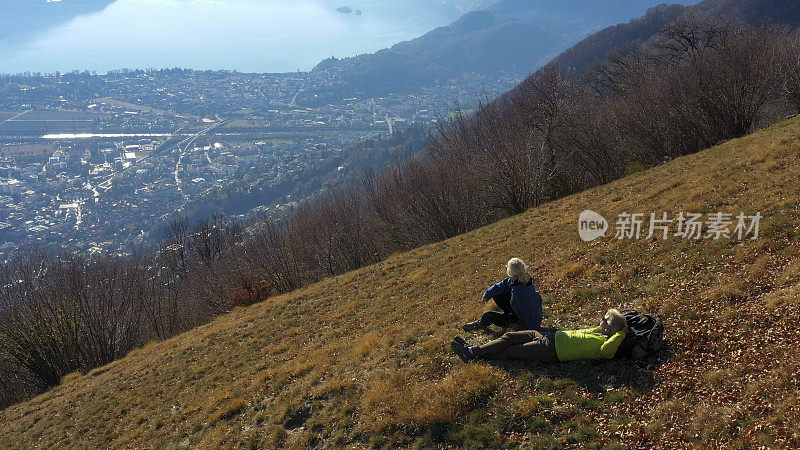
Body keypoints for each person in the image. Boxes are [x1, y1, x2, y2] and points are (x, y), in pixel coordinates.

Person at [451, 309, 629, 363]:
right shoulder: (598, 333)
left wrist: (620, 334)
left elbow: (608, 352)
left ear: (609, 330)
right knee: (508, 338)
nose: (601, 320)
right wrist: (608, 328)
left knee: (510, 351)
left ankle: (473, 356)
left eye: (605, 319)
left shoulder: (604, 345)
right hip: (546, 336)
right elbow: (594, 330)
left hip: (549, 350)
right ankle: (473, 351)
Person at [463, 258, 543, 332]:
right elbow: (501, 285)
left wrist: (536, 330)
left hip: (523, 323)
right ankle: (508, 315)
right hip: (523, 314)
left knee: (488, 315)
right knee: (498, 294)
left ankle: (479, 324)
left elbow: (528, 312)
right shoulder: (522, 279)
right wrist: (487, 294)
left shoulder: (520, 292)